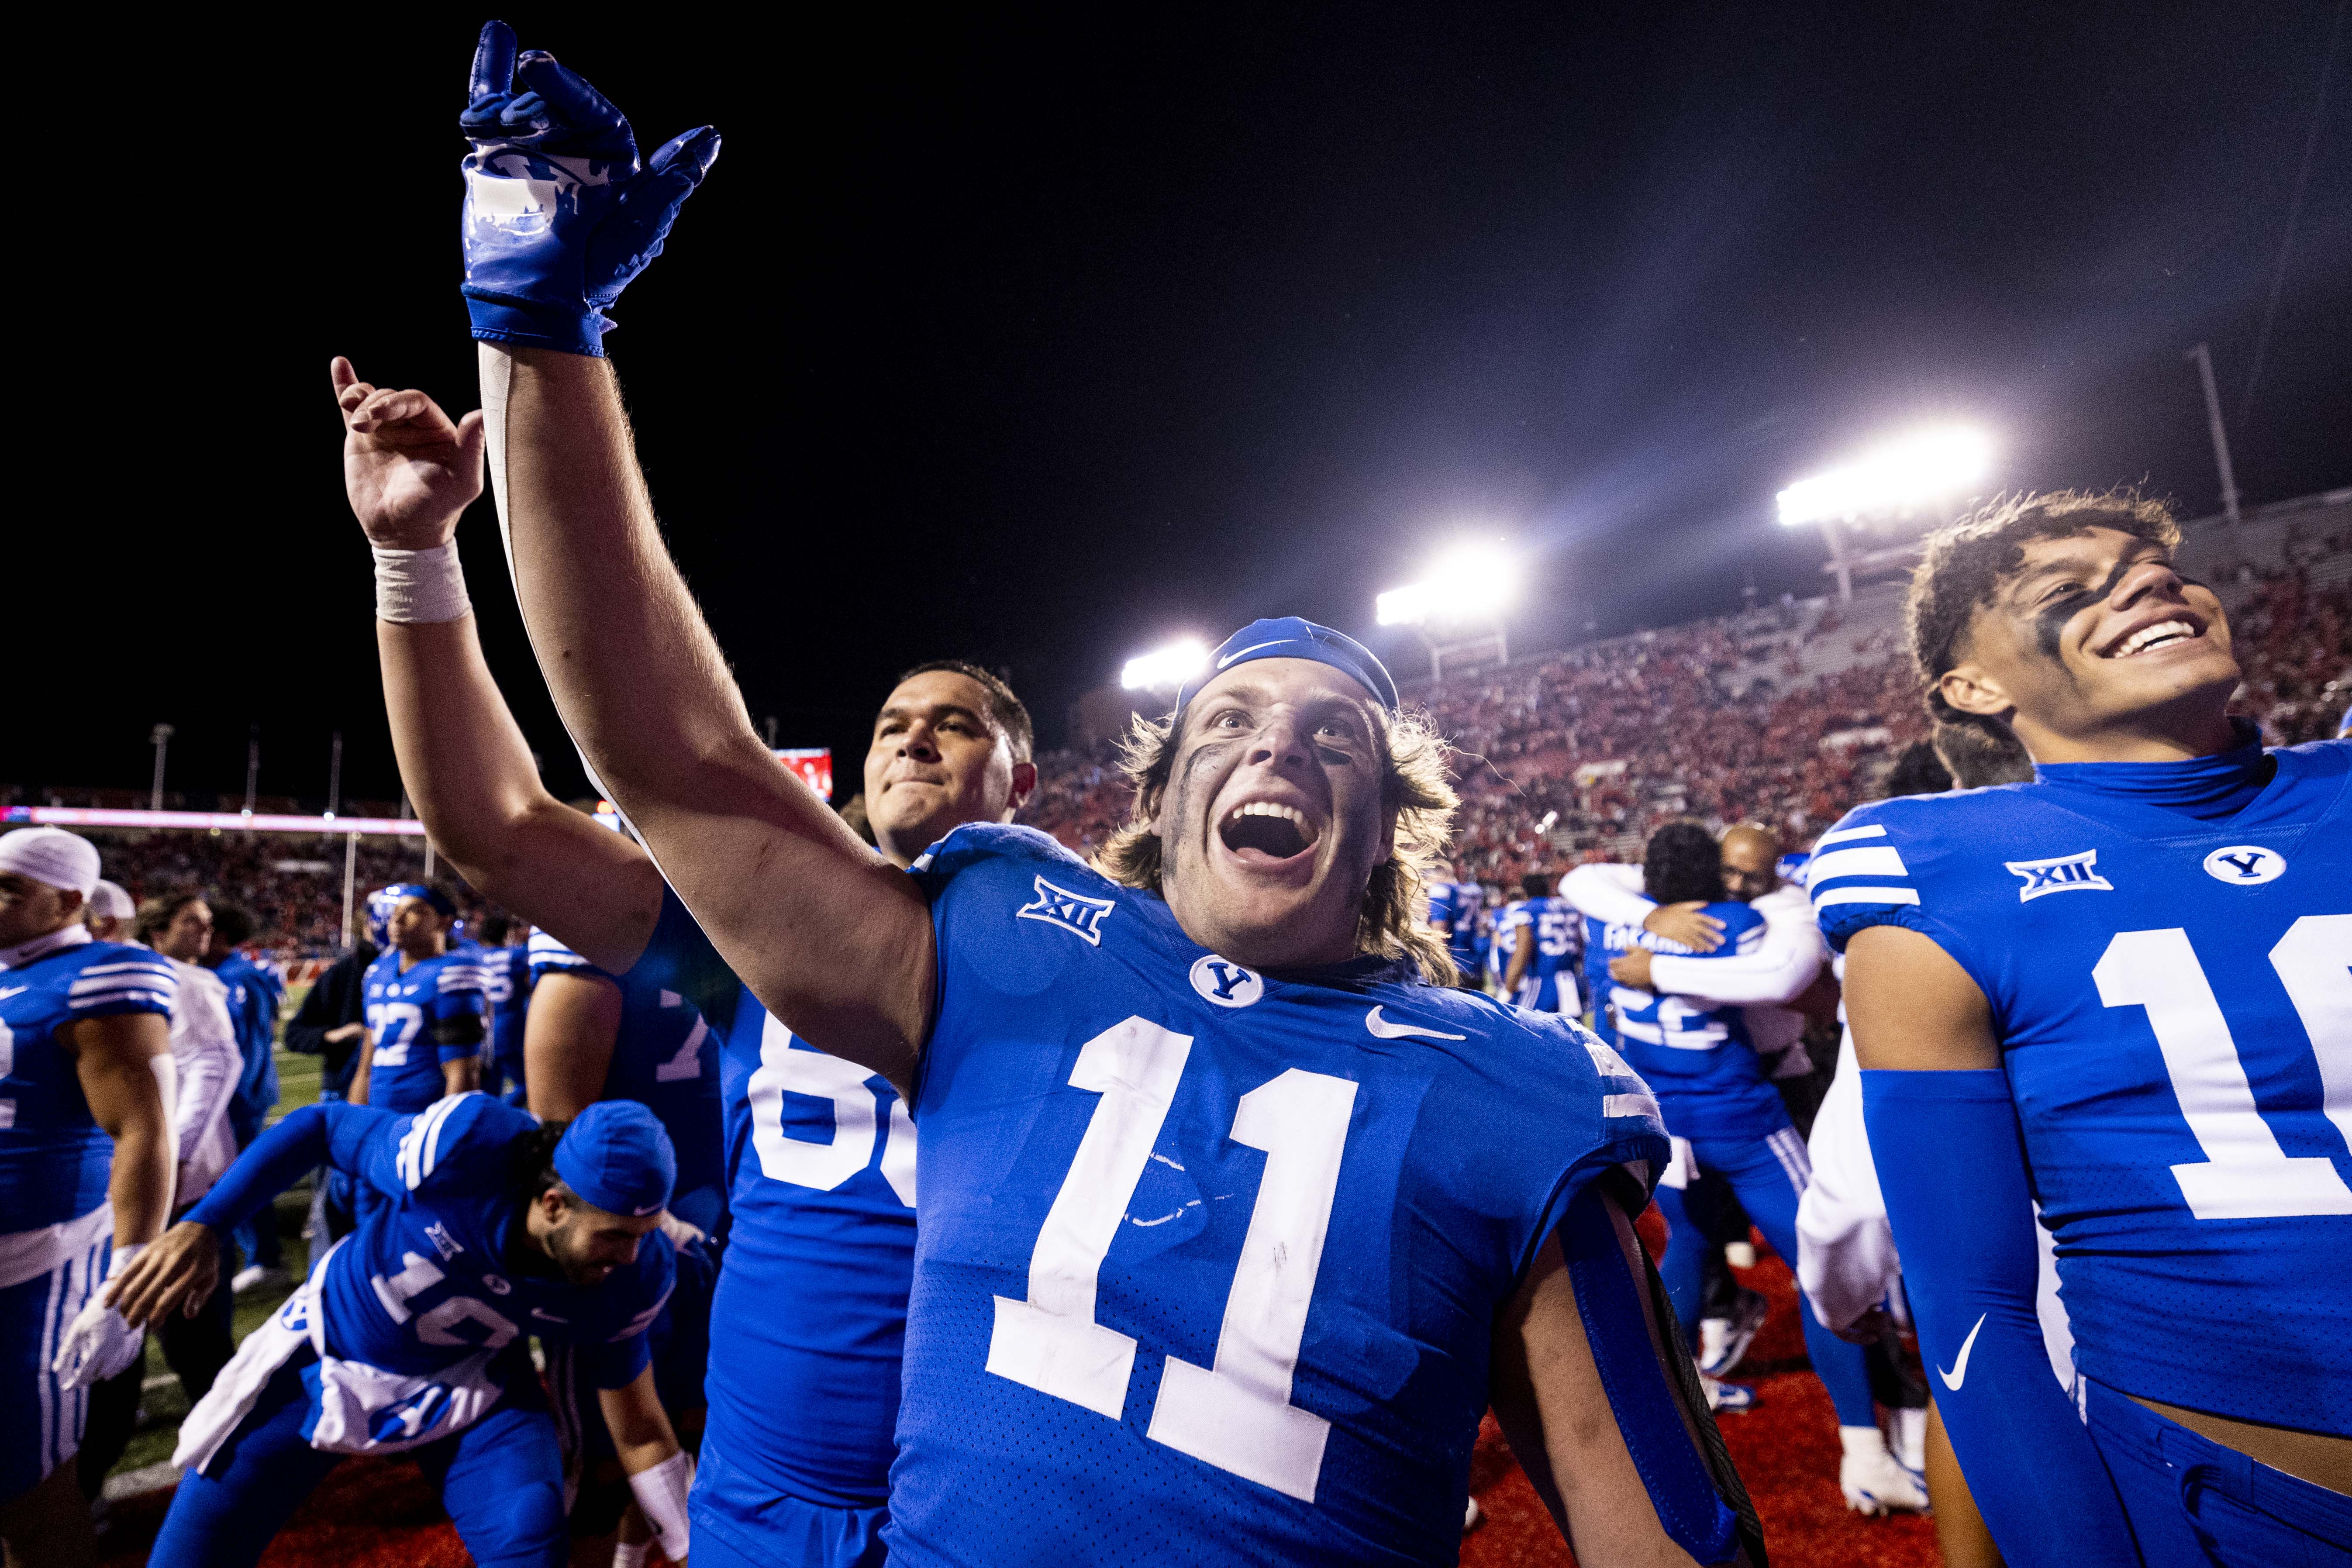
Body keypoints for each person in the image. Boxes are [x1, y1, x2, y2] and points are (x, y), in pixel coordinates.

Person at [449, 26, 1765, 1560]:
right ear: (1161, 788)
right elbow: (672, 757)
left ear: (1391, 825)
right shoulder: (1012, 939)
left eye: (1334, 737)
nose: (1279, 748)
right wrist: (539, 320)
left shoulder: (1517, 1085)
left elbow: (1670, 1542)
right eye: (1231, 722)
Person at [332, 349, 1035, 1561]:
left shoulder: (1106, 944)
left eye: (955, 719)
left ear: (1022, 775)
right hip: (773, 1482)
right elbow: (494, 831)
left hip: (1005, 1486)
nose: (913, 731)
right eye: (890, 720)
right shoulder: (762, 939)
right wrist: (414, 555)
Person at [1822, 491, 2351, 1564]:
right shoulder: (1936, 871)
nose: (2151, 585)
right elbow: (1972, 1309)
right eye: (2069, 593)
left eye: (2157, 569)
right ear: (1971, 689)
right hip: (2241, 1503)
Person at [117, 1096, 694, 1568]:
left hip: (468, 1382)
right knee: (192, 1551)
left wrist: (692, 1546)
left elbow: (640, 1427)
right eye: (616, 1234)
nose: (630, 1254)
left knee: (530, 1531)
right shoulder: (463, 1152)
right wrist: (207, 1222)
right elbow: (321, 1124)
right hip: (334, 1348)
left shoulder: (631, 1276)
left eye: (643, 1233)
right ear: (552, 1204)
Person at [1576, 824, 1914, 1513]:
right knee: (1822, 1264)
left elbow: (1583, 882)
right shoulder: (1738, 924)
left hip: (1668, 1122)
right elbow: (1787, 977)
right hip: (1743, 1121)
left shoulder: (1607, 927)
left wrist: (1650, 934)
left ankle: (1678, 1397)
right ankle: (1867, 1450)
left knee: (1688, 1247)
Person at [1794, 717, 2039, 1568]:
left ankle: (1870, 1442)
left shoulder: (1916, 939)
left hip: (2037, 1295)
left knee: (1980, 1392)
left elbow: (1855, 1195)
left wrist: (1837, 1293)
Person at [0, 828, 176, 1568]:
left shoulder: (102, 973)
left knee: (28, 1489)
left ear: (68, 898)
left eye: (9, 889)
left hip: (33, 1260)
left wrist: (129, 1272)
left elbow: (143, 1131)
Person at [75, 889, 248, 1506]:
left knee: (190, 1337)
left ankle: (237, 1465)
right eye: (191, 921)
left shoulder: (180, 981)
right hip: (103, 1191)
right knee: (112, 1343)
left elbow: (218, 1061)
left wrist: (165, 1156)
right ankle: (89, 1478)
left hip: (175, 1185)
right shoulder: (64, 976)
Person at [205, 903, 286, 1290]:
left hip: (237, 1101)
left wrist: (240, 1097)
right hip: (224, 1099)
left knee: (240, 1177)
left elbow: (252, 1045)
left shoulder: (239, 977)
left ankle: (265, 1258)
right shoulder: (217, 974)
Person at [355, 882, 487, 1118]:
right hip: (378, 1118)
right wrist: (355, 1122)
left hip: (423, 1119)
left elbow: (462, 1075)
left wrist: (441, 1137)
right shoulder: (377, 972)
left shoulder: (453, 975)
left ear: (444, 921)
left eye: (414, 911)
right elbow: (366, 1065)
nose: (398, 920)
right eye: (396, 912)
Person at [1499, 871, 1583, 1016]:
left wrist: (1509, 988)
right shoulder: (1570, 908)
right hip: (1572, 982)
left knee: (1527, 1030)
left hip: (1542, 982)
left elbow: (1522, 951)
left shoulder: (1527, 909)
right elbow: (1582, 945)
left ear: (1524, 892)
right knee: (1571, 1034)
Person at [477, 913, 534, 1105]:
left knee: (487, 1091)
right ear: (505, 934)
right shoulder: (517, 955)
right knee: (526, 1085)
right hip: (508, 1027)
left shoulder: (473, 955)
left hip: (481, 1033)